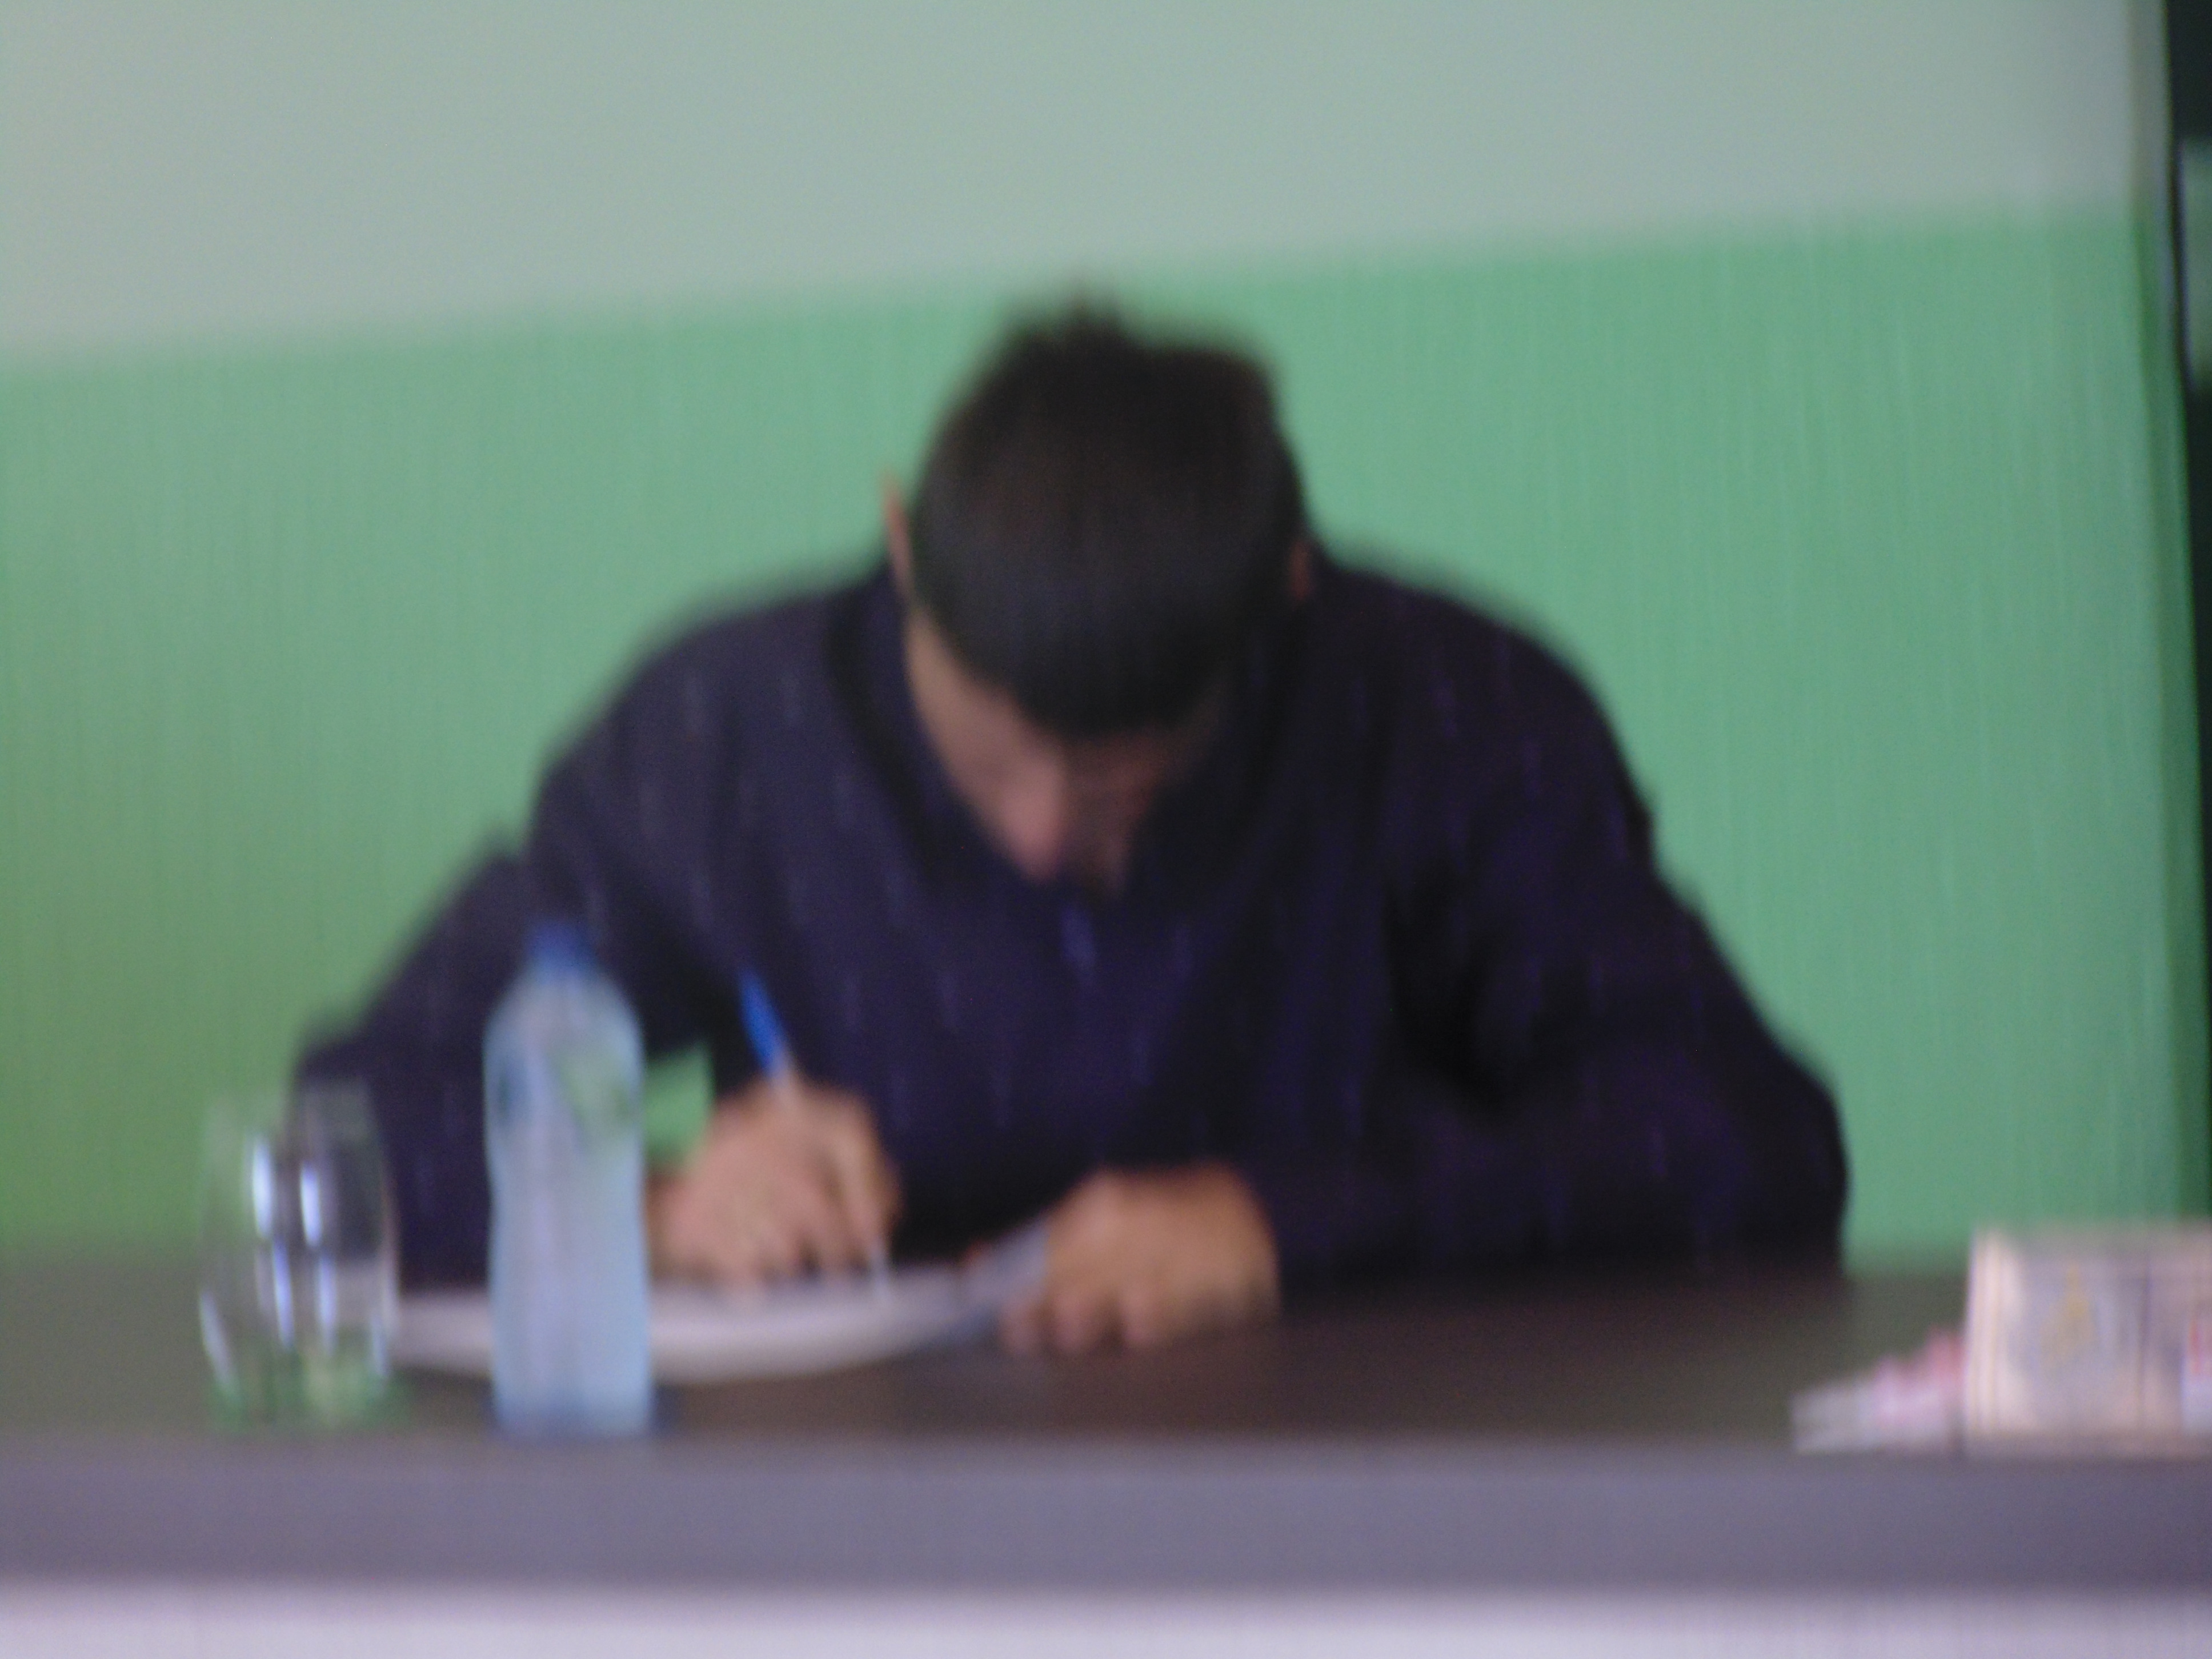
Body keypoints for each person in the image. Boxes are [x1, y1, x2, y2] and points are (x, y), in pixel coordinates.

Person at [300, 310, 1846, 1355]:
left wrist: (1285, 1222)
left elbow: (1740, 1134)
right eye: (990, 762)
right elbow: (353, 1127)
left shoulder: (1443, 709)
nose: (1042, 842)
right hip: (865, 1508)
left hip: (1368, 1475)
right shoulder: (724, 735)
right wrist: (642, 1206)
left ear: (1283, 601)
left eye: (1120, 789)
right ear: (903, 546)